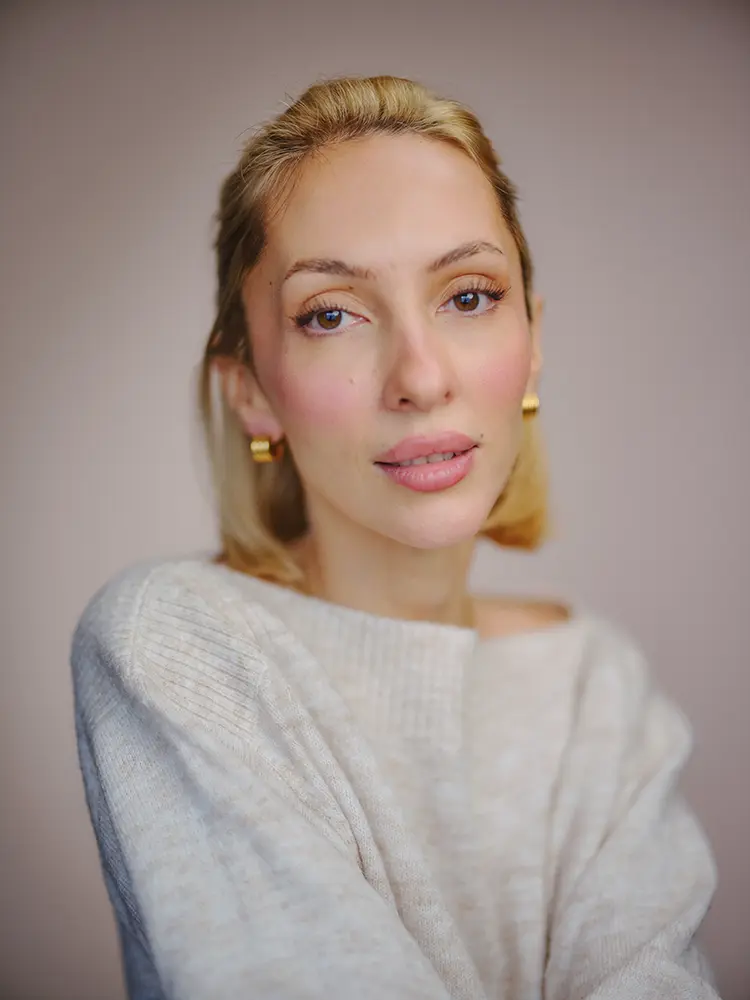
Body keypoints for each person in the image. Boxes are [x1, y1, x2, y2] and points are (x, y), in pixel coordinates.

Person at [70, 74, 720, 999]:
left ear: (531, 342)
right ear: (251, 389)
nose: (418, 377)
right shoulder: (172, 645)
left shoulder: (595, 687)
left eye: (468, 296)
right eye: (330, 313)